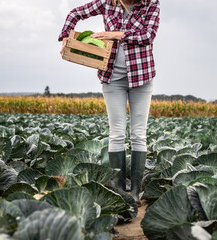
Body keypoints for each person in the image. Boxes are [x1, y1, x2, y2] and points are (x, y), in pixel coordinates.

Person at [58, 0, 160, 204]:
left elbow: (147, 36)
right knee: (117, 133)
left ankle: (136, 192)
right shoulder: (107, 2)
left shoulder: (151, 4)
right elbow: (75, 13)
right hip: (112, 77)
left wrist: (115, 34)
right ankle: (121, 191)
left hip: (142, 76)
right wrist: (66, 36)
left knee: (138, 134)